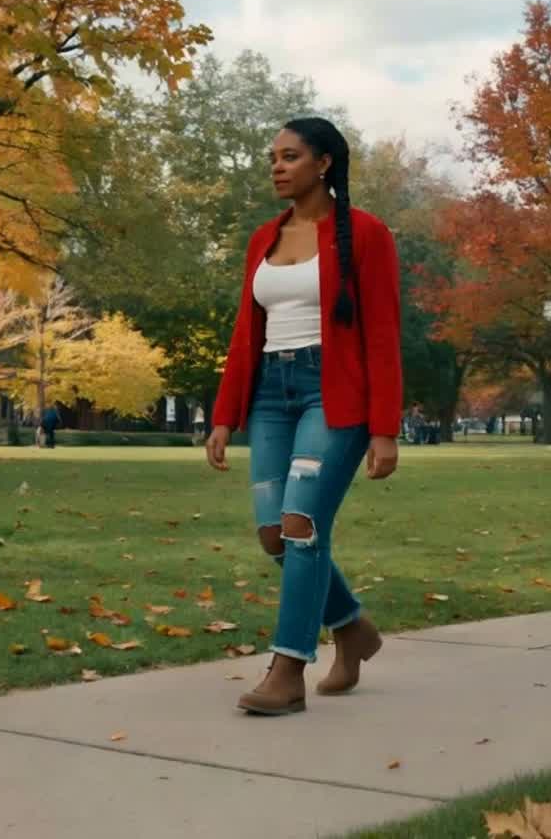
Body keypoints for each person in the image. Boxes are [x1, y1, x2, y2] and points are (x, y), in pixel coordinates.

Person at [205, 116, 402, 716]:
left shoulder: (365, 235)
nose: (277, 166)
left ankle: (288, 669)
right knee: (274, 536)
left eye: (290, 156)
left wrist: (385, 428)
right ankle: (352, 628)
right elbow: (247, 331)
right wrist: (223, 414)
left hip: (332, 393)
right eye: (273, 157)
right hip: (270, 394)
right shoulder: (264, 237)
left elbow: (383, 333)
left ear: (324, 164)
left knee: (303, 526)